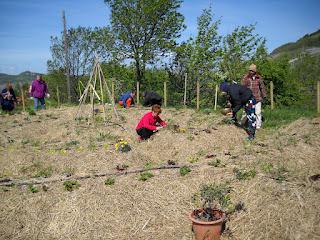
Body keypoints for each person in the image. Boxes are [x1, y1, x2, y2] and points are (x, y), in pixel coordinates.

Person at [241, 64, 266, 129]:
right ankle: (242, 124)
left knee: (258, 112)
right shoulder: (246, 78)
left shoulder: (259, 78)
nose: (251, 72)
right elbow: (242, 87)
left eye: (252, 71)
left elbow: (262, 87)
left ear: (255, 71)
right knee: (245, 113)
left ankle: (258, 126)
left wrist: (264, 95)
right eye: (250, 70)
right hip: (248, 98)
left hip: (257, 98)